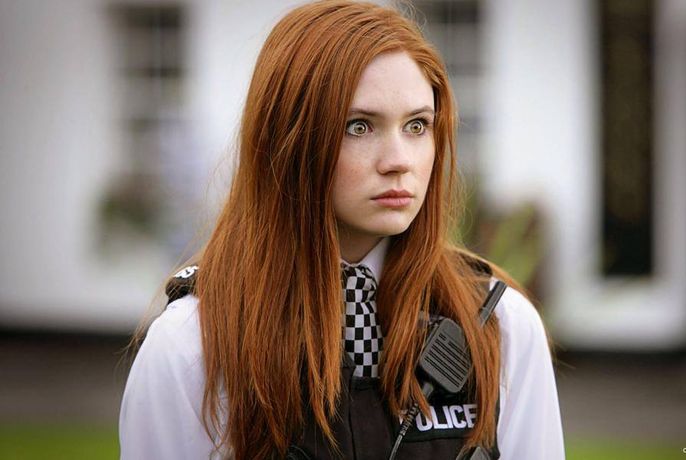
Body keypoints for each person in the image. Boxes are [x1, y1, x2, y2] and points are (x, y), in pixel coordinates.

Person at [118, 1, 565, 459]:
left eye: (417, 125)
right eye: (359, 126)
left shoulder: (499, 329)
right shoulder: (192, 347)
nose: (399, 161)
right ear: (289, 139)